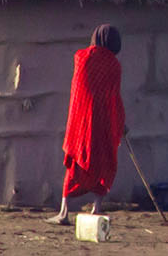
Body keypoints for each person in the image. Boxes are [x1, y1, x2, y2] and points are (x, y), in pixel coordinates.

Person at [51, 25, 126, 225]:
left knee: (75, 165)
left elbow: (80, 92)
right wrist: (120, 122)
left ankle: (64, 211)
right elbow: (114, 98)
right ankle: (97, 207)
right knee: (104, 163)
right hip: (103, 123)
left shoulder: (81, 58)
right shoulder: (114, 66)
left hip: (81, 122)